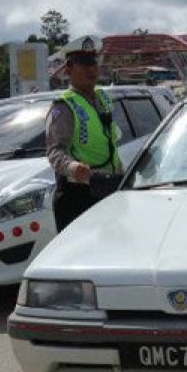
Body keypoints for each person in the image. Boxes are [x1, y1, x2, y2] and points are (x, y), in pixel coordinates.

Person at [45, 38, 123, 231]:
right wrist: (72, 167)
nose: (91, 69)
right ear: (68, 69)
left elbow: (110, 144)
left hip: (108, 189)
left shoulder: (102, 98)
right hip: (78, 196)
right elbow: (55, 151)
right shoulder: (63, 106)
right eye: (83, 64)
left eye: (93, 63)